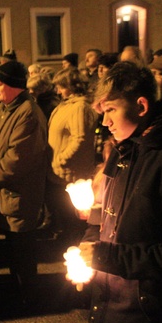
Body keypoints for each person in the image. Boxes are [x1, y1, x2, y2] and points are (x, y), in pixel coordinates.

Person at [75, 61, 162, 323]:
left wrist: (107, 257)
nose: (105, 121)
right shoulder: (122, 152)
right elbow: (101, 213)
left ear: (141, 106)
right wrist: (88, 251)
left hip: (146, 313)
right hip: (110, 302)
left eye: (111, 109)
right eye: (102, 111)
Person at [0, 60, 49, 304]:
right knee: (13, 250)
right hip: (5, 195)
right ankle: (18, 293)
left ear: (14, 86)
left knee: (22, 253)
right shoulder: (2, 110)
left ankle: (29, 300)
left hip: (20, 196)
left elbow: (17, 158)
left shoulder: (28, 114)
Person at [46, 67, 98, 244]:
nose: (58, 90)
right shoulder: (66, 105)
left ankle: (77, 252)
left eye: (61, 86)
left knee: (73, 219)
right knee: (64, 216)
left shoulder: (80, 108)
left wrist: (61, 159)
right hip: (59, 172)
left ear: (71, 86)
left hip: (70, 174)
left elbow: (80, 138)